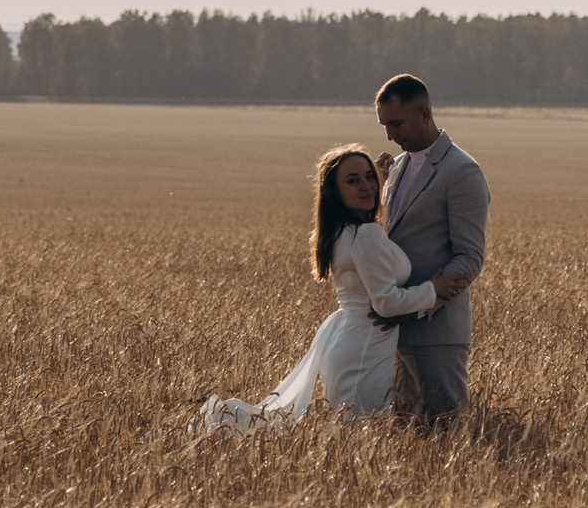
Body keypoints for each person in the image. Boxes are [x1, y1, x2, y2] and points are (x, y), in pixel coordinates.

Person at [199, 144, 443, 434]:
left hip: (346, 344)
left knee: (350, 436)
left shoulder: (339, 230)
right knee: (360, 437)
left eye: (369, 178)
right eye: (353, 181)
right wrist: (434, 289)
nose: (366, 186)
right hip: (364, 347)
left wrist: (375, 177)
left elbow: (371, 249)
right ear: (335, 193)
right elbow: (386, 304)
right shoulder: (367, 234)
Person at [372, 73, 490, 423]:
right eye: (384, 126)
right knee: (404, 435)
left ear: (425, 114)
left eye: (396, 123)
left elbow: (470, 256)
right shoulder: (397, 168)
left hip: (437, 329)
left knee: (446, 429)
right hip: (393, 326)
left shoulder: (462, 170)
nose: (390, 134)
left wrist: (425, 300)